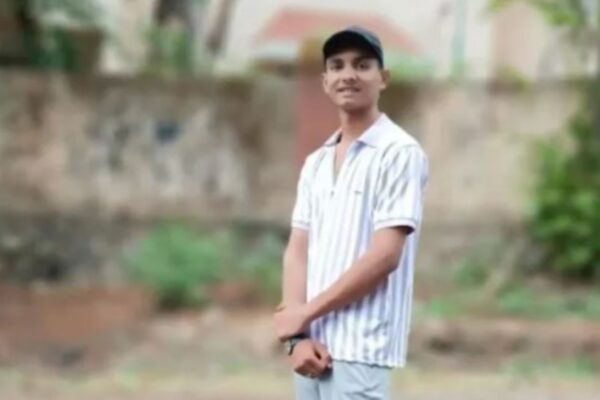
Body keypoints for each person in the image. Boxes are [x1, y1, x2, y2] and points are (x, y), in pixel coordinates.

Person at [273, 26, 429, 400]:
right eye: (337, 66)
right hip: (311, 350)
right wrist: (296, 337)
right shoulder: (316, 163)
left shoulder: (399, 153)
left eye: (362, 65)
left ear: (383, 78)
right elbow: (297, 251)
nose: (348, 75)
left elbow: (385, 257)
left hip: (362, 348)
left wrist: (304, 314)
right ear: (325, 82)